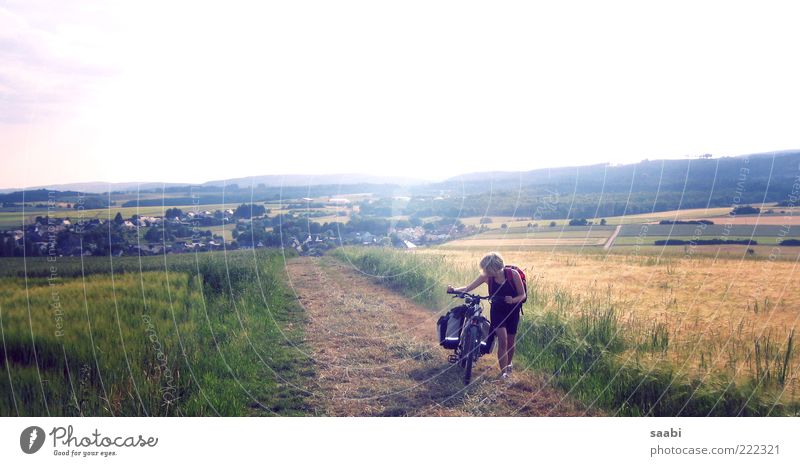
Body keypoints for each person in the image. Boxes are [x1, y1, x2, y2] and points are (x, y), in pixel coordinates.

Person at [447, 252, 525, 379]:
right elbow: (468, 287)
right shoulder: (486, 277)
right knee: (503, 340)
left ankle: (509, 363)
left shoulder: (513, 275)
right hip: (497, 310)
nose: (484, 271)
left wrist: (513, 300)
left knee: (511, 341)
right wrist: (454, 289)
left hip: (513, 311)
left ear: (494, 268)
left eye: (486, 269)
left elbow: (522, 295)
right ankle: (504, 373)